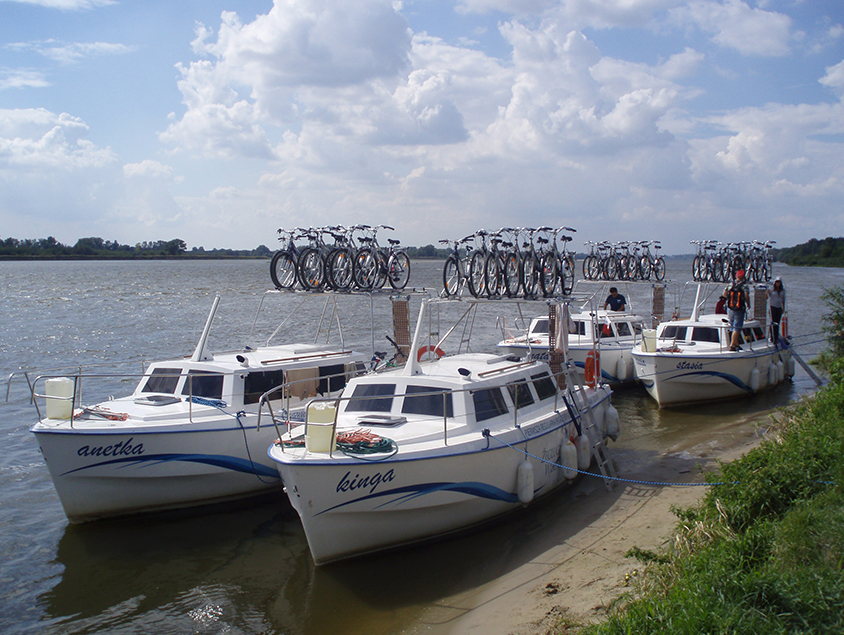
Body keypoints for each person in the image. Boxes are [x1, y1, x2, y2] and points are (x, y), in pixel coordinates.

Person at [724, 270, 749, 351]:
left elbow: (724, 294)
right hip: (739, 308)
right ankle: (732, 345)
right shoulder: (744, 285)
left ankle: (736, 343)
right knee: (737, 327)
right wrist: (748, 304)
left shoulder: (730, 284)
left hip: (730, 308)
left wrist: (729, 299)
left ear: (736, 276)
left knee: (732, 325)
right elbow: (746, 295)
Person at [768, 277, 786, 342]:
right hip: (772, 307)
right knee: (773, 322)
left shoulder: (783, 291)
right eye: (777, 282)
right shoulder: (771, 289)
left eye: (779, 282)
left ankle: (776, 337)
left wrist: (783, 308)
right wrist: (766, 293)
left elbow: (783, 300)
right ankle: (771, 337)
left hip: (779, 307)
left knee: (777, 323)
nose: (778, 284)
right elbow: (766, 297)